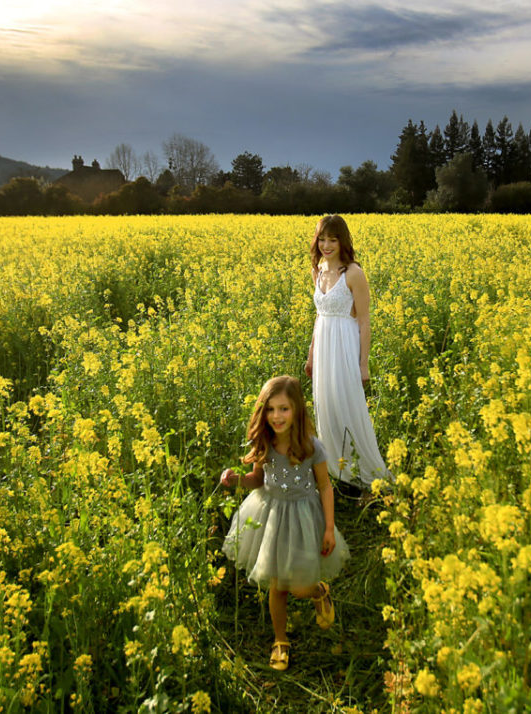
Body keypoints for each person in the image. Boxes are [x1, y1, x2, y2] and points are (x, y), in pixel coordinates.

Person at [220, 375, 348, 671]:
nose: (276, 416)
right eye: (270, 410)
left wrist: (328, 528)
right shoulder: (264, 442)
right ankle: (280, 640)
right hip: (270, 516)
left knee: (299, 587)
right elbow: (256, 480)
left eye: (284, 409)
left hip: (304, 516)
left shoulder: (311, 447)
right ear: (263, 412)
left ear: (297, 411)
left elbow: (325, 487)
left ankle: (318, 591)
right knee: (278, 585)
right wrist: (236, 479)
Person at [304, 215, 392, 486]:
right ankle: (336, 470)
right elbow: (319, 316)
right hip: (323, 347)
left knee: (347, 405)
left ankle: (367, 474)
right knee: (327, 405)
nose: (326, 245)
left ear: (343, 241)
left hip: (344, 345)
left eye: (333, 239)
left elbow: (364, 321)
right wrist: (310, 355)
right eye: (322, 238)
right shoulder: (317, 270)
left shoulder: (353, 273)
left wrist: (363, 364)